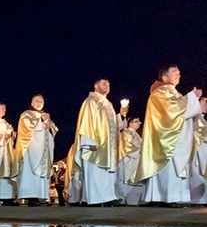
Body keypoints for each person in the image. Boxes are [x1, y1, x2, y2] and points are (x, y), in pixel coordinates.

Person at [133, 65, 206, 206]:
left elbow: (181, 109)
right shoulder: (160, 92)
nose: (178, 75)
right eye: (174, 73)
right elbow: (171, 110)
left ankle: (163, 197)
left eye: (179, 73)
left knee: (174, 169)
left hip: (177, 138)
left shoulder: (174, 93)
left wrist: (193, 102)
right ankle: (168, 197)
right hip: (167, 140)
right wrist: (192, 98)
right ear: (165, 77)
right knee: (169, 168)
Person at [65, 78, 128, 206]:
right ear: (96, 86)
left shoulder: (108, 104)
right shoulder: (91, 101)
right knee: (95, 172)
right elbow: (86, 121)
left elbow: (113, 126)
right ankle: (95, 199)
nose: (107, 86)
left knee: (105, 173)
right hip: (95, 144)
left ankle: (108, 197)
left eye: (109, 84)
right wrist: (88, 141)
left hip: (107, 146)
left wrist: (121, 115)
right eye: (104, 84)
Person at [13, 95, 58, 206]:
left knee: (42, 175)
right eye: (37, 101)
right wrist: (41, 122)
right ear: (32, 103)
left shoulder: (44, 115)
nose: (40, 102)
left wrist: (48, 124)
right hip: (31, 150)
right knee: (31, 174)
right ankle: (31, 197)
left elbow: (53, 129)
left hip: (43, 151)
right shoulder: (26, 115)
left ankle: (42, 197)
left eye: (42, 101)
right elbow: (26, 130)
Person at [115, 117, 144, 205]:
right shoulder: (126, 133)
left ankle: (133, 202)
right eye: (136, 121)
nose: (139, 123)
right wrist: (141, 150)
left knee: (136, 182)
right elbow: (127, 146)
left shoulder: (136, 134)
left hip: (136, 160)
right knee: (126, 180)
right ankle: (121, 199)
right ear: (129, 123)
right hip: (128, 160)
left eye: (139, 121)